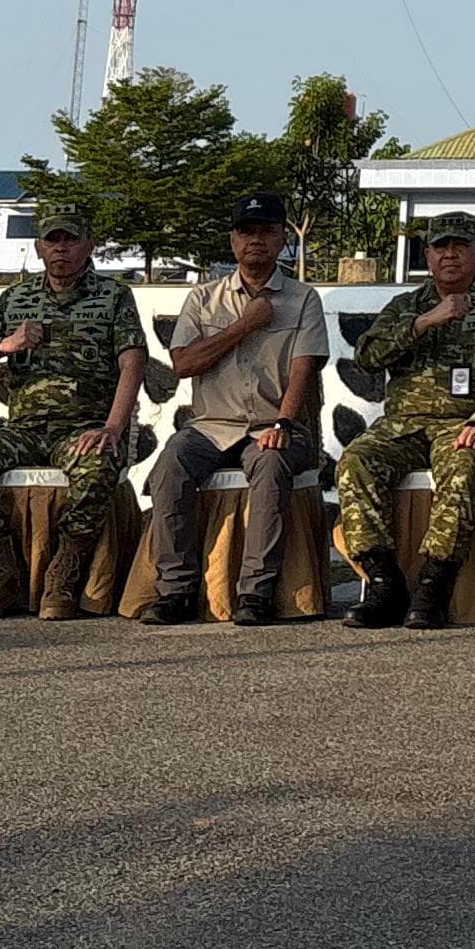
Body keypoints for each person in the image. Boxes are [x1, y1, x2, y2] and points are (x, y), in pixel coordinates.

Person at [0, 204, 150, 619]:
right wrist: (4, 346)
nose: (61, 249)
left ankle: (65, 570)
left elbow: (133, 362)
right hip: (24, 430)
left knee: (98, 465)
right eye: (53, 240)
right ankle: (0, 569)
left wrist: (113, 426)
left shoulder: (113, 295)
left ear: (89, 245)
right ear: (38, 247)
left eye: (71, 239)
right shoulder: (16, 297)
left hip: (81, 428)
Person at [333, 210, 475, 631]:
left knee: (462, 468)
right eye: (441, 246)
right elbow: (367, 357)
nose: (450, 255)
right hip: (404, 424)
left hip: (470, 422)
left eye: (460, 246)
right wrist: (424, 322)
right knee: (355, 462)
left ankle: (433, 586)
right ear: (427, 255)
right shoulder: (406, 306)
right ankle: (385, 583)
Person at [144, 198, 332, 627]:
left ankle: (256, 592)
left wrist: (283, 423)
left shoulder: (303, 299)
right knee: (170, 465)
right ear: (232, 240)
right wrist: (244, 326)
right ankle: (175, 590)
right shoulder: (204, 299)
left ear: (283, 238)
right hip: (211, 427)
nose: (256, 240)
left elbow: (304, 371)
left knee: (269, 465)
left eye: (266, 231)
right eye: (247, 231)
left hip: (276, 423)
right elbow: (183, 364)